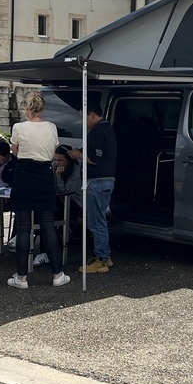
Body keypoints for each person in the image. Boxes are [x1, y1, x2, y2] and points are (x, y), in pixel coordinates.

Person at [7, 92, 70, 289]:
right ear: (42, 108)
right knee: (48, 225)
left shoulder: (18, 127)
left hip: (24, 173)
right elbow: (52, 153)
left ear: (27, 108)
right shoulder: (51, 127)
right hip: (44, 174)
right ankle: (57, 274)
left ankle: (22, 277)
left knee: (24, 228)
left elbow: (15, 151)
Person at [69, 101, 117, 274]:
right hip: (105, 182)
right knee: (99, 220)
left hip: (97, 182)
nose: (82, 121)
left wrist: (77, 154)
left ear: (92, 115)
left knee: (96, 223)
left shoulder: (97, 131)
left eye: (83, 117)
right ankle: (105, 256)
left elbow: (93, 159)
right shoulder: (107, 128)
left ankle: (101, 259)